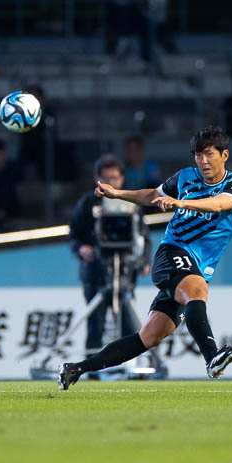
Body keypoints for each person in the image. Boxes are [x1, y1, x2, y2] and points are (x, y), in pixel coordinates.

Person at [59, 125, 232, 389]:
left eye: (209, 154)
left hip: (197, 266)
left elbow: (219, 204)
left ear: (224, 155)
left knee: (148, 337)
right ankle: (212, 357)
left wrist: (181, 203)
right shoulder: (185, 177)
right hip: (172, 253)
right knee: (197, 291)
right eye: (198, 155)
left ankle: (76, 369)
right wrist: (118, 194)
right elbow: (153, 195)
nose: (203, 161)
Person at [68, 155, 151, 367]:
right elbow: (74, 234)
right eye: (106, 178)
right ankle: (89, 369)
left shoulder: (132, 202)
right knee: (95, 325)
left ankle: (131, 367)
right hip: (96, 272)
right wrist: (81, 249)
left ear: (122, 178)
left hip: (125, 272)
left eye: (114, 178)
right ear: (97, 178)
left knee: (129, 324)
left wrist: (144, 261)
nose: (110, 183)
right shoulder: (88, 203)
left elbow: (144, 236)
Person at [112, 0, 176, 62]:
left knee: (151, 34)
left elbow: (150, 7)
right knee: (126, 13)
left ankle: (149, 56)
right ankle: (124, 43)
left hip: (156, 22)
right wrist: (133, 1)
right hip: (136, 21)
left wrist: (136, 0)